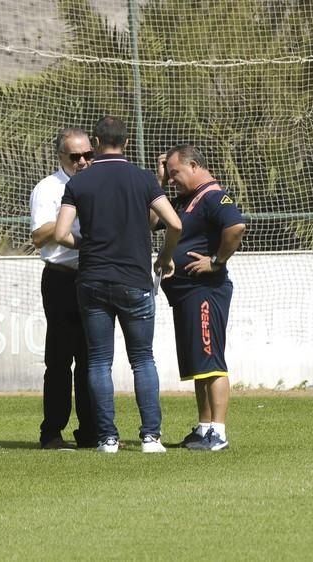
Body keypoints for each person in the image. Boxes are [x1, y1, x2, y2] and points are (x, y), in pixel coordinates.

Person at [54, 116, 182, 454]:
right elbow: (174, 223)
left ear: (95, 142)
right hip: (134, 281)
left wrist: (86, 244)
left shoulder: (79, 182)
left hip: (93, 281)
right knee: (142, 359)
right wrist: (166, 257)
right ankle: (150, 437)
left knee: (98, 361)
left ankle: (107, 438)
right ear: (125, 142)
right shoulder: (142, 179)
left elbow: (59, 232)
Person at [157, 144, 246, 451]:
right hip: (185, 295)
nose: (172, 180)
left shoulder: (213, 196)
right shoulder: (185, 200)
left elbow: (236, 226)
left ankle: (218, 433)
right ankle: (204, 428)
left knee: (211, 360)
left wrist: (216, 261)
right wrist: (158, 183)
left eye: (175, 173)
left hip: (205, 291)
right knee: (199, 364)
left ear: (194, 165)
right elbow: (148, 219)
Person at [29, 127, 96, 450]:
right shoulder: (48, 189)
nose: (83, 161)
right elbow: (39, 235)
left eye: (88, 155)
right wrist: (70, 223)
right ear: (61, 157)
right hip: (61, 277)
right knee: (59, 360)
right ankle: (52, 432)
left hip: (93, 276)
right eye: (75, 156)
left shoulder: (99, 183)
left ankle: (90, 431)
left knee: (91, 359)